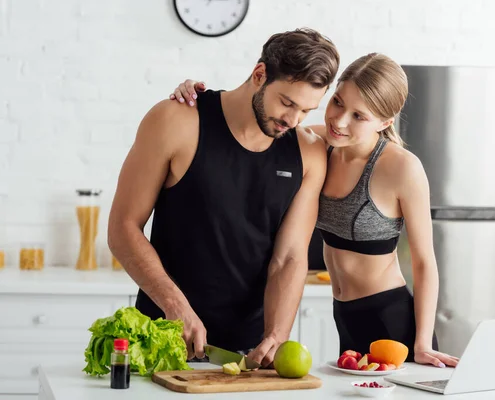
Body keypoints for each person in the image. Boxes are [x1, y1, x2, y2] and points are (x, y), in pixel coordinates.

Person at [169, 54, 459, 368]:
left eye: (359, 116)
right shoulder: (319, 143)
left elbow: (424, 262)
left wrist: (422, 342)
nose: (340, 120)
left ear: (385, 122)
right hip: (344, 314)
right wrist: (198, 98)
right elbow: (260, 119)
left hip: (391, 321)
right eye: (337, 102)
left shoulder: (401, 168)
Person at [107, 28, 340, 367]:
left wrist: (276, 334)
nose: (293, 119)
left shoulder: (309, 154)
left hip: (247, 355)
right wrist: (176, 308)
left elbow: (289, 257)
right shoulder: (176, 120)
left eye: (306, 110)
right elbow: (123, 228)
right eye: (287, 102)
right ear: (259, 74)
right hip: (163, 341)